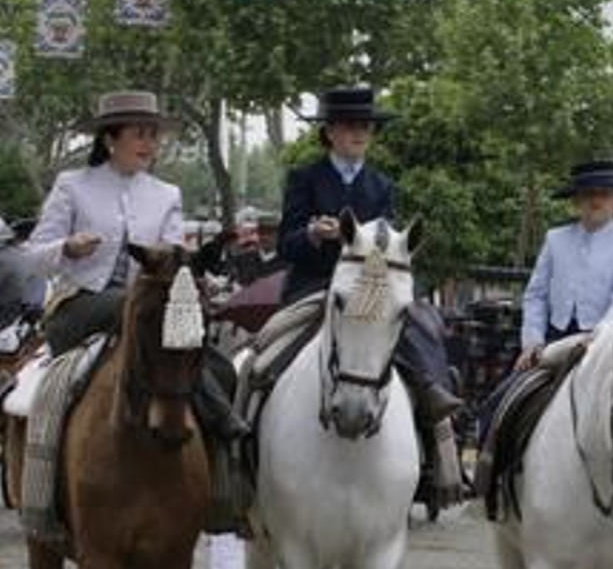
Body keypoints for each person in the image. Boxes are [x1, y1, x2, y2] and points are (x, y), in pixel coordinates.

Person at [23, 90, 243, 438]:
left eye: (153, 134)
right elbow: (33, 257)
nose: (149, 143)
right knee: (146, 307)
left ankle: (225, 464)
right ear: (111, 138)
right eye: (138, 134)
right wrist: (68, 247)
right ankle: (220, 413)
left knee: (215, 360)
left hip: (150, 306)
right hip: (80, 305)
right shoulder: (72, 186)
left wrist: (198, 265)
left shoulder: (167, 194)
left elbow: (175, 257)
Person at [277, 86, 463, 442]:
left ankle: (435, 408)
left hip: (373, 289)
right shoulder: (304, 178)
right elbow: (287, 243)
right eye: (349, 126)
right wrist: (315, 233)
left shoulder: (382, 185)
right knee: (270, 348)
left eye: (365, 127)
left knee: (420, 324)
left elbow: (387, 241)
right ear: (329, 132)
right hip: (313, 283)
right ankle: (251, 411)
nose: (359, 133)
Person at [513, 159, 613, 370]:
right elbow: (536, 295)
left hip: (606, 343)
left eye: (604, 194)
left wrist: (598, 337)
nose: (596, 201)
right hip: (553, 341)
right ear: (576, 201)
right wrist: (532, 342)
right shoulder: (555, 239)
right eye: (588, 194)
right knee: (510, 392)